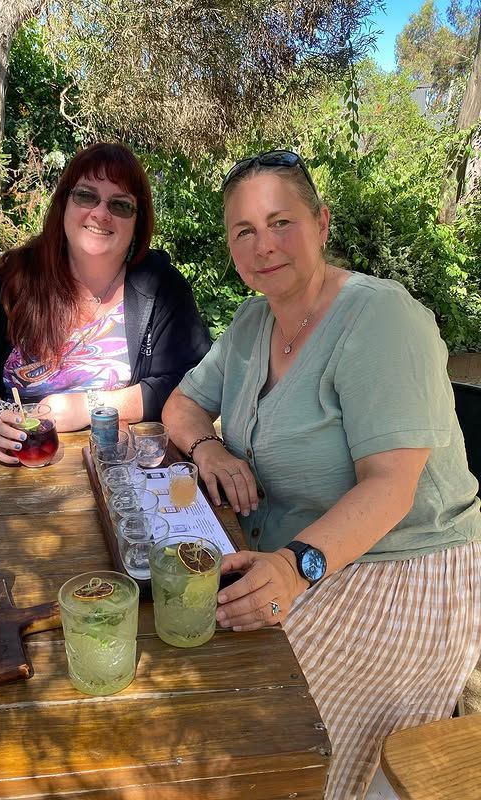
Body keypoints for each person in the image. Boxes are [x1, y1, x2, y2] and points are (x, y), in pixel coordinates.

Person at [162, 150, 481, 799]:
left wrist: (294, 569)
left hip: (399, 568)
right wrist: (209, 451)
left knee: (251, 725)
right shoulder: (254, 322)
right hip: (280, 552)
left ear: (322, 223)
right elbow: (181, 404)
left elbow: (391, 487)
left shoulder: (381, 319)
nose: (263, 245)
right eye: (243, 231)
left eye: (281, 222)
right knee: (179, 645)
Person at [0, 142, 210, 464]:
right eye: (86, 195)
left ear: (138, 221)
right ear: (64, 203)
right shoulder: (13, 281)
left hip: (117, 468)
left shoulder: (161, 285)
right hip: (16, 469)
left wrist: (88, 405)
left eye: (120, 205)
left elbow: (190, 382)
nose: (100, 213)